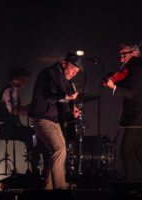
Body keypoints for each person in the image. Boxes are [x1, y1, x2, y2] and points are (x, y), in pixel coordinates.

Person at [103, 43, 142, 193]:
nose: (121, 57)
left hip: (138, 117)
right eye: (120, 54)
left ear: (135, 53)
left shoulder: (139, 68)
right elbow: (123, 80)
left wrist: (114, 87)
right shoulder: (133, 68)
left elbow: (132, 93)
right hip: (140, 118)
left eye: (124, 54)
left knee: (125, 151)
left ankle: (132, 190)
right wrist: (112, 78)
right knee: (141, 154)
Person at [28, 53, 82, 190]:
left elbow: (65, 99)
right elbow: (49, 96)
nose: (74, 73)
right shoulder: (48, 74)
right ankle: (60, 188)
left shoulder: (63, 80)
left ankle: (48, 188)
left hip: (53, 120)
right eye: (73, 68)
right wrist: (66, 96)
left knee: (58, 152)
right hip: (42, 118)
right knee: (59, 150)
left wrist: (73, 107)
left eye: (77, 71)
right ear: (64, 63)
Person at [0, 67, 35, 172]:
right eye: (22, 78)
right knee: (31, 134)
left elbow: (17, 107)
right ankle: (34, 168)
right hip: (5, 127)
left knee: (32, 133)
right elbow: (12, 110)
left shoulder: (12, 90)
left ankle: (34, 164)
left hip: (9, 125)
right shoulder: (9, 90)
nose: (24, 81)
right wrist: (32, 112)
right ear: (14, 78)